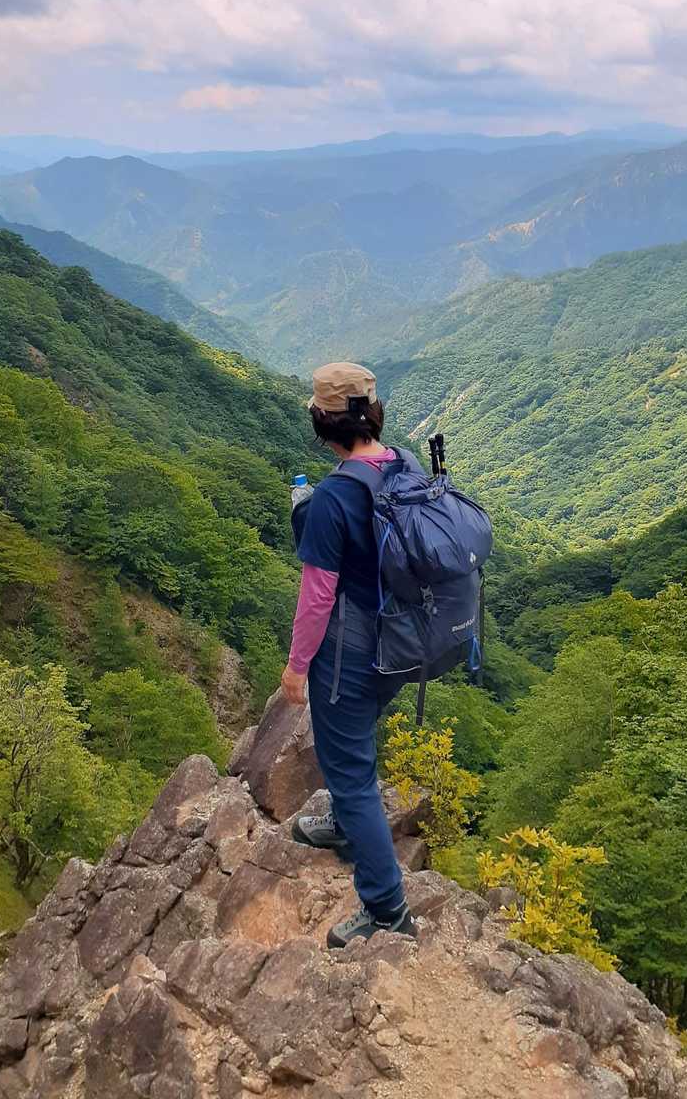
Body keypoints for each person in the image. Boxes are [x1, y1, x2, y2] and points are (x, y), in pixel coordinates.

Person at [280, 361, 417, 948]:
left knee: (353, 775)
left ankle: (388, 911)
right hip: (401, 641)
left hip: (351, 651)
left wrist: (296, 668)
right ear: (373, 414)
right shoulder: (402, 463)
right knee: (354, 749)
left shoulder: (334, 497)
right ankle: (341, 823)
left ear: (323, 425)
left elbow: (317, 597)